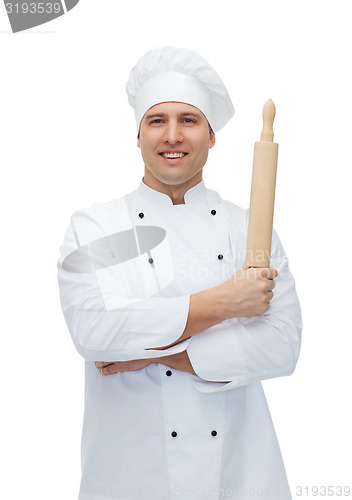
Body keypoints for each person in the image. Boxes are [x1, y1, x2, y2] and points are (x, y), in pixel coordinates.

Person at [57, 46, 302, 500]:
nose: (173, 135)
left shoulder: (250, 229)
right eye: (157, 120)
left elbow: (282, 347)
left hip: (242, 477)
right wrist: (224, 303)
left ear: (211, 136)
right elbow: (94, 331)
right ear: (138, 135)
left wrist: (151, 353)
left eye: (188, 120)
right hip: (129, 479)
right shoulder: (96, 227)